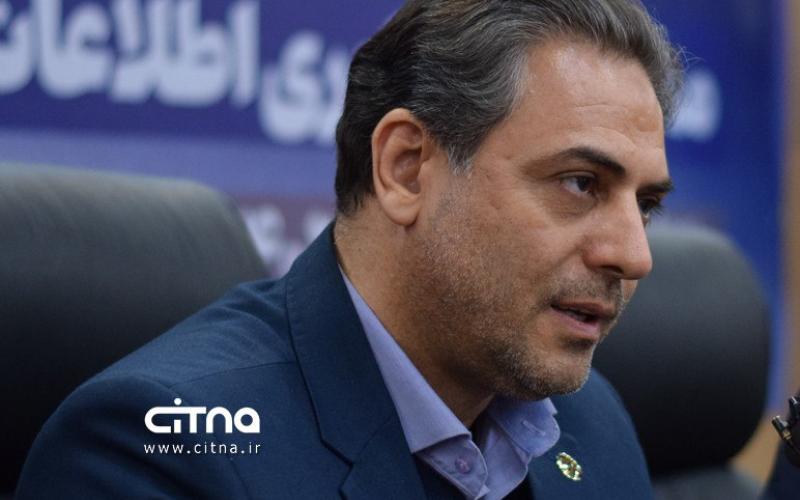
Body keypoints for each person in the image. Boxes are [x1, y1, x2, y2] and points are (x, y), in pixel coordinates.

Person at [16, 1, 683, 498]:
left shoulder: (592, 424)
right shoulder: (159, 450)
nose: (635, 256)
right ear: (406, 168)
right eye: (579, 183)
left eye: (646, 205)